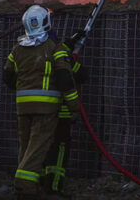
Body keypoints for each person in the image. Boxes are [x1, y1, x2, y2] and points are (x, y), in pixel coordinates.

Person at [2, 5, 81, 199]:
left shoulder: (17, 49)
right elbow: (64, 79)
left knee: (27, 146)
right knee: (37, 147)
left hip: (23, 107)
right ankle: (24, 185)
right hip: (46, 108)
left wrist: (24, 88)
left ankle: (30, 185)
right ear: (46, 22)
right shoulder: (54, 48)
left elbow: (7, 77)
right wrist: (74, 107)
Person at [43, 30, 87, 197]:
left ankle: (40, 184)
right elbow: (80, 75)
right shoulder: (62, 59)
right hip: (60, 114)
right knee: (60, 148)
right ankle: (54, 187)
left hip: (41, 113)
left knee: (41, 147)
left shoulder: (33, 57)